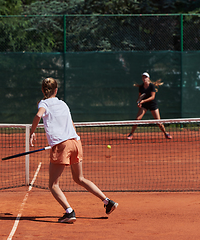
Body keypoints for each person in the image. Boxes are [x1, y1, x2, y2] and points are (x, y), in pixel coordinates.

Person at [30, 77, 118, 223]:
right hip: (76, 142)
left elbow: (38, 115)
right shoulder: (63, 104)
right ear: (56, 90)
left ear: (42, 90)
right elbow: (71, 124)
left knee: (53, 185)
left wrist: (32, 132)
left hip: (62, 145)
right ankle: (108, 202)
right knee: (79, 178)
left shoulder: (43, 103)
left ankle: (69, 212)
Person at [127, 72, 172, 140]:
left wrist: (143, 101)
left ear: (148, 78)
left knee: (158, 122)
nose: (144, 78)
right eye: (143, 77)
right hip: (144, 105)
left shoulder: (151, 86)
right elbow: (140, 97)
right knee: (137, 119)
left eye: (145, 77)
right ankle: (131, 134)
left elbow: (152, 97)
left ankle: (166, 133)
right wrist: (139, 103)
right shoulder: (141, 87)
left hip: (152, 104)